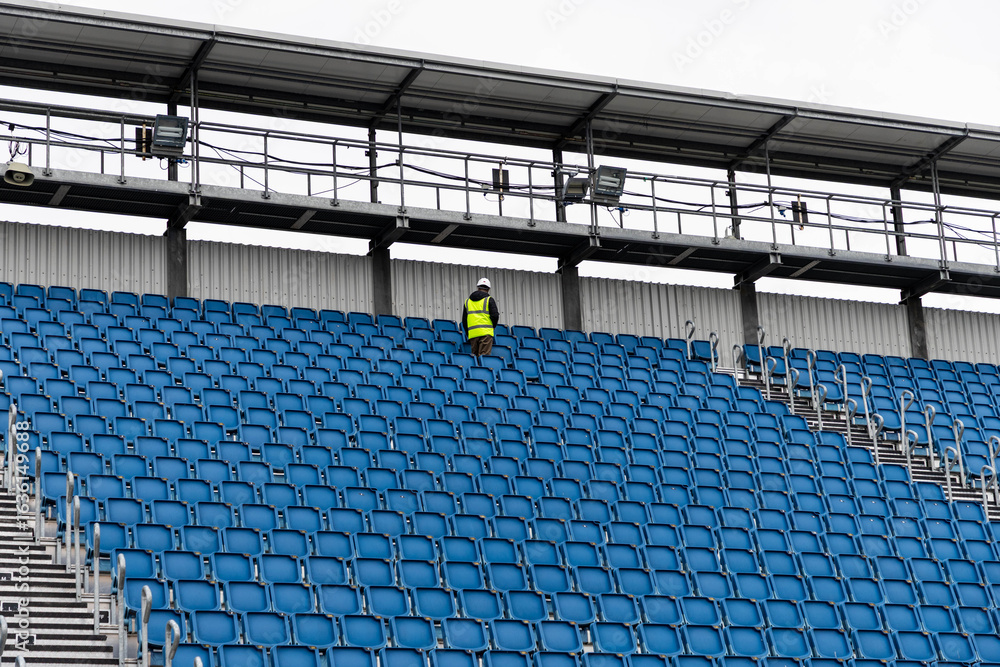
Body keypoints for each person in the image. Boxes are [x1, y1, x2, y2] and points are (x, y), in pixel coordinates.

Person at [462, 277, 500, 357]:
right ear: (488, 289)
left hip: (473, 334)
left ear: (478, 287)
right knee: (484, 358)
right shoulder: (489, 299)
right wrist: (493, 326)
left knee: (475, 358)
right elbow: (495, 315)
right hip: (486, 333)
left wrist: (468, 333)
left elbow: (464, 320)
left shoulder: (467, 301)